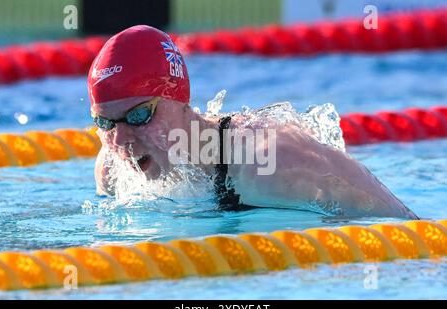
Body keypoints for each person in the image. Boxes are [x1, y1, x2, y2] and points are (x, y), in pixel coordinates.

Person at [88, 25, 418, 219]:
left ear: (179, 99)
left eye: (139, 115)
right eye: (105, 124)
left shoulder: (271, 162)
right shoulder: (112, 173)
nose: (121, 142)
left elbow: (403, 226)